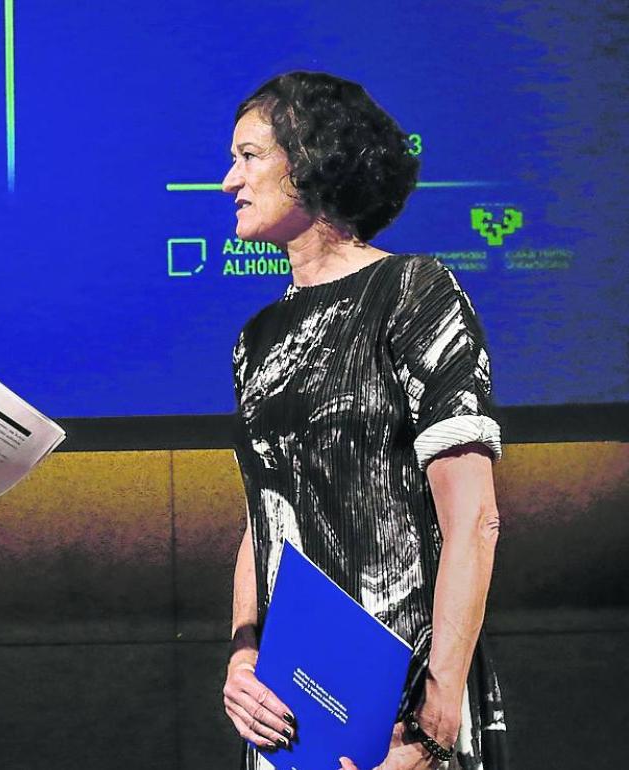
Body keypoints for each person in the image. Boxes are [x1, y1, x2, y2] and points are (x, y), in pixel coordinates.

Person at [217, 72, 508, 770]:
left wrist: (435, 719)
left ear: (311, 158)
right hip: (290, 718)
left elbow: (474, 519)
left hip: (406, 715)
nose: (230, 181)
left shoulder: (414, 292)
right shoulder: (255, 337)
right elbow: (263, 519)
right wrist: (242, 654)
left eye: (249, 155)